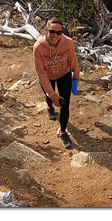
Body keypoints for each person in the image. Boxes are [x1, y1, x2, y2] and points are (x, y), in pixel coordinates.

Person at [33, 18, 80, 149]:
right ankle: (50, 107)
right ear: (46, 31)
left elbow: (72, 59)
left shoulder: (68, 42)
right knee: (49, 96)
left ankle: (63, 131)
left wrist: (76, 74)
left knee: (65, 104)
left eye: (59, 32)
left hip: (64, 73)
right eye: (52, 32)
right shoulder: (38, 47)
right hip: (48, 76)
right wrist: (53, 95)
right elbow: (41, 73)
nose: (55, 35)